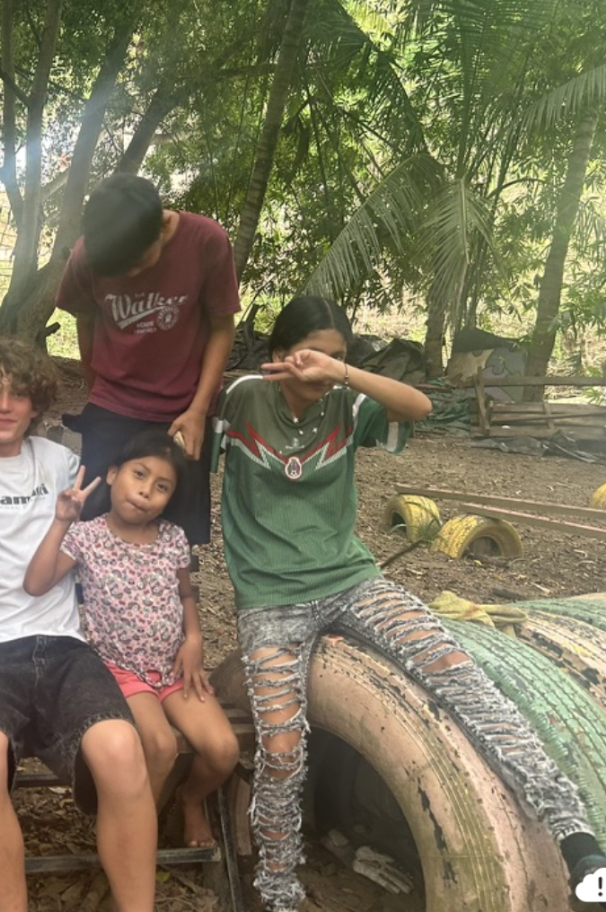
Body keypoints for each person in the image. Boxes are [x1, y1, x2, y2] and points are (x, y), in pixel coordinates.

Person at [213, 295, 606, 912]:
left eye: (336, 355)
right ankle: (279, 891)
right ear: (280, 355)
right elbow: (183, 438)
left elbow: (419, 406)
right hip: (270, 597)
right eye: (311, 355)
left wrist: (341, 372)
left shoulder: (347, 402)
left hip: (351, 580)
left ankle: (577, 841)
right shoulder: (244, 400)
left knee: (458, 675)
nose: (322, 368)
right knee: (282, 749)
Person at [0, 339, 156, 912]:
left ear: (36, 403)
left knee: (121, 748)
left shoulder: (61, 460)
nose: (3, 405)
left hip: (63, 644)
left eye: (18, 394)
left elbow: (133, 485)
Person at [23, 431, 239, 845]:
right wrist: (62, 521)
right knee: (159, 746)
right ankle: (133, 840)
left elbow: (185, 595)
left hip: (174, 667)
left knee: (223, 749)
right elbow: (35, 584)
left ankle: (189, 800)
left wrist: (194, 639)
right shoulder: (86, 536)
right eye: (139, 475)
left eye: (162, 486)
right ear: (112, 474)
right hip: (118, 670)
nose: (146, 491)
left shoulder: (172, 538)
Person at [56, 173, 240, 549]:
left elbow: (222, 327)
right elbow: (85, 320)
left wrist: (199, 410)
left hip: (183, 410)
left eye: (138, 263)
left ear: (161, 227)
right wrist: (96, 389)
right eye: (118, 269)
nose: (130, 274)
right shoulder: (88, 254)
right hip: (112, 403)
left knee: (175, 535)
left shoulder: (206, 241)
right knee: (93, 521)